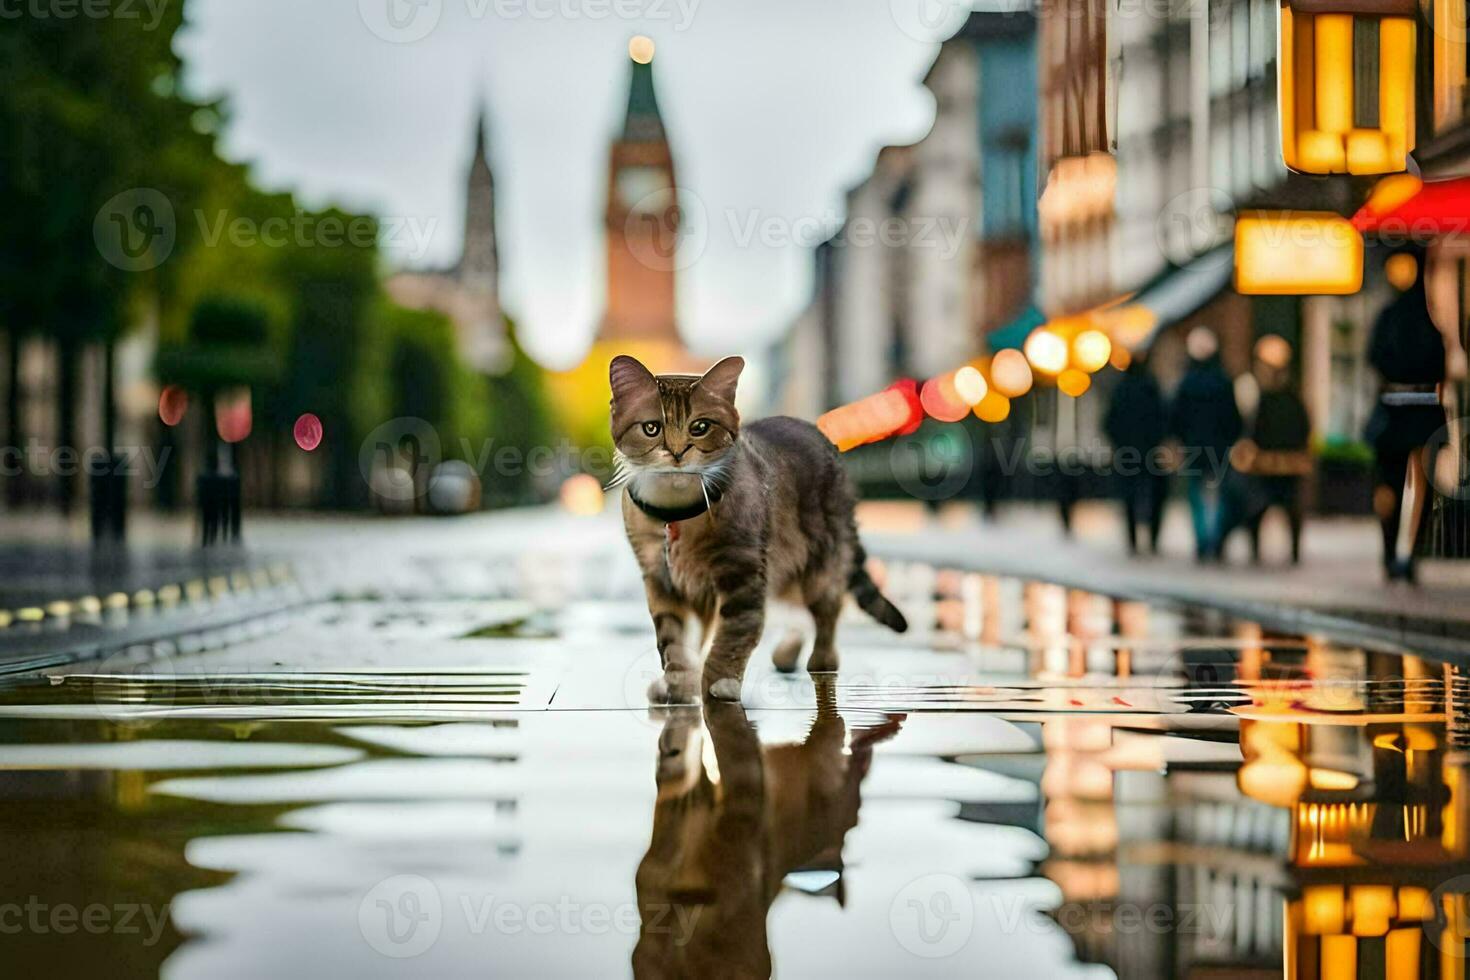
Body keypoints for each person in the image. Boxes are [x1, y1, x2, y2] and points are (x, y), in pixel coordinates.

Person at [1365, 245, 1466, 582]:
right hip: (1419, 411)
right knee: (1414, 488)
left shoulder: (1390, 316)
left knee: (1394, 487)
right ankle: (1404, 554)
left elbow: (1375, 359)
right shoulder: (1428, 318)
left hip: (1400, 410)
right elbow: (1443, 364)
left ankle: (1395, 552)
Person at [1232, 336, 1312, 564]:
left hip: (1278, 463)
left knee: (1276, 510)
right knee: (1266, 510)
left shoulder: (1276, 399)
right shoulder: (1277, 397)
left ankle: (1280, 551)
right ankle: (1272, 551)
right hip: (1273, 462)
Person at [1169, 326, 1242, 562]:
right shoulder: (1223, 381)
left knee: (1196, 495)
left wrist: (1180, 440)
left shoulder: (1187, 382)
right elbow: (1233, 417)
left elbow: (1176, 417)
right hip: (1219, 447)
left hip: (1194, 447)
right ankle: (1215, 537)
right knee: (1220, 494)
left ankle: (1203, 539)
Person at [1104, 354, 1169, 554]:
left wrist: (1118, 443)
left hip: (1127, 452)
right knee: (1155, 494)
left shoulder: (1120, 389)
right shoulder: (1152, 387)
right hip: (1151, 450)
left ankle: (1133, 540)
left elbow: (1109, 421)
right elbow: (1163, 416)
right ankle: (1152, 538)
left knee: (1129, 496)